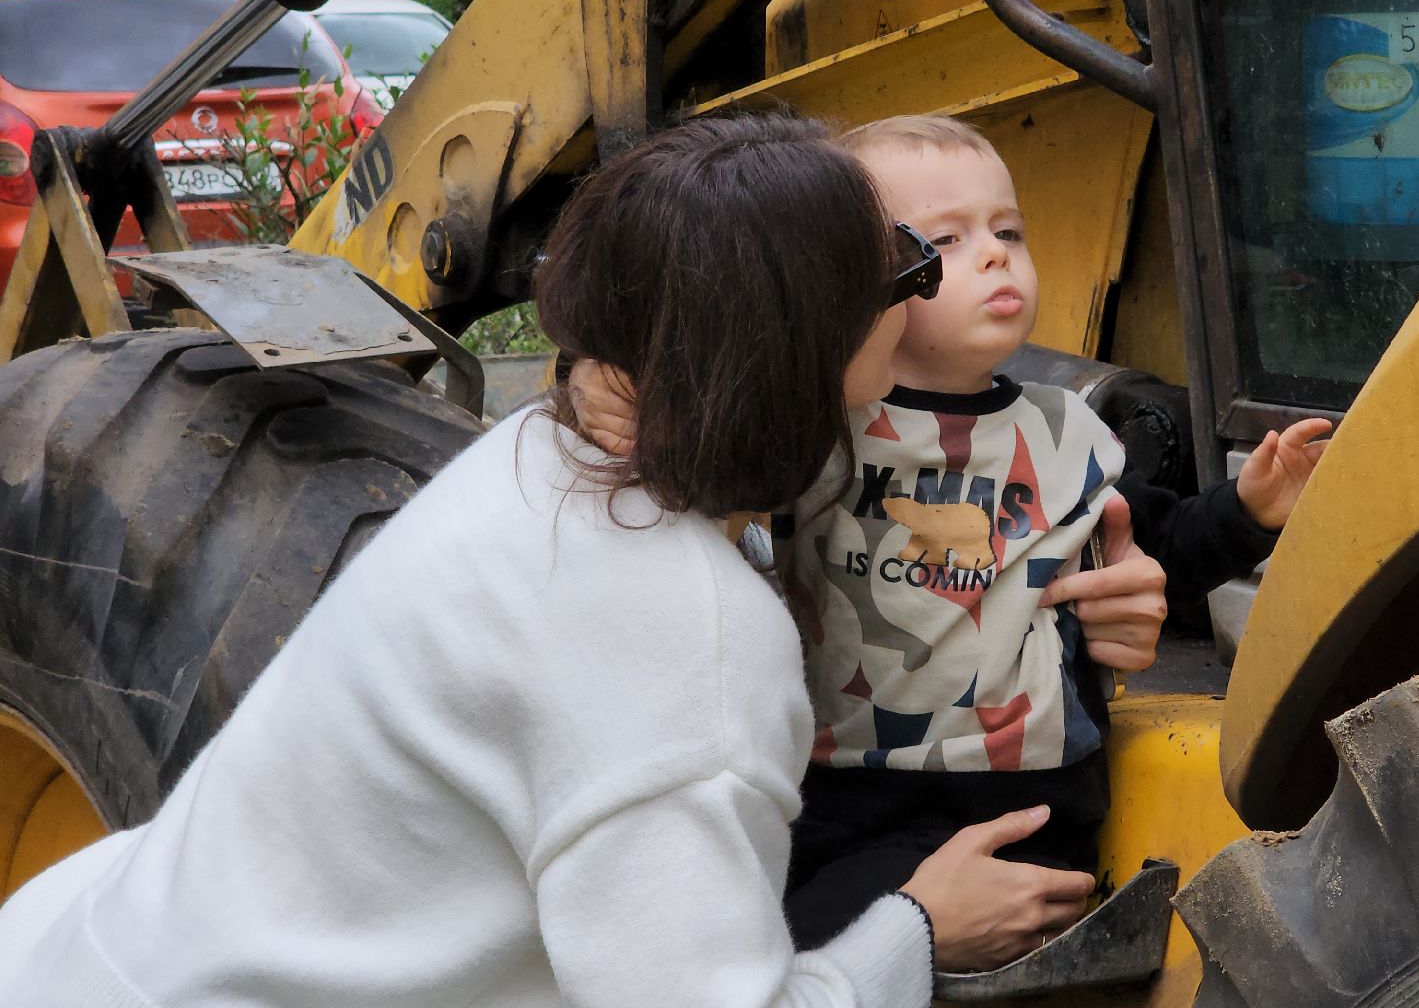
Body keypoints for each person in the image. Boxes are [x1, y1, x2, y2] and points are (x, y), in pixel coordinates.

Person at [0, 114, 1163, 1006]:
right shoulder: (682, 647)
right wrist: (916, 925)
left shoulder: (550, 450)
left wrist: (1062, 602)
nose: (925, 302)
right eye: (904, 278)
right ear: (805, 355)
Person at [567, 113, 1331, 951]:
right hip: (837, 796)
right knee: (790, 937)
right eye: (947, 241)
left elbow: (1157, 547)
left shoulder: (1062, 434)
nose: (998, 254)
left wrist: (1250, 510)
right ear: (850, 280)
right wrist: (593, 380)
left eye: (1008, 230)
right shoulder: (817, 429)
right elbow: (681, 495)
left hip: (1029, 806)